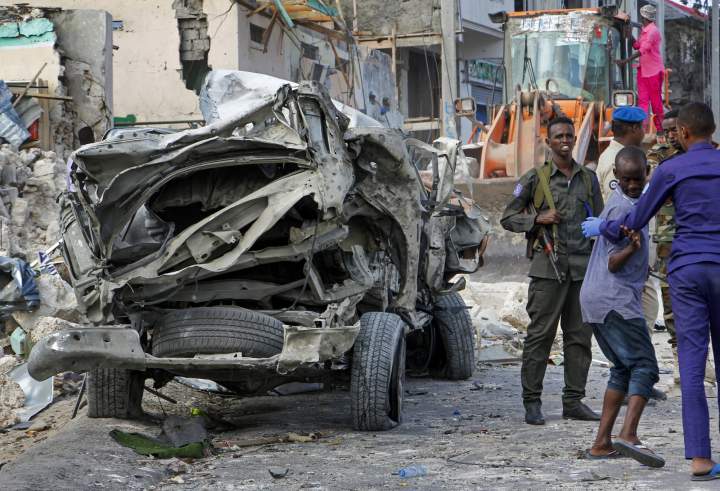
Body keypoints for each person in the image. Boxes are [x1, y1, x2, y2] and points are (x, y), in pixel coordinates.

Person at [582, 102, 720, 481]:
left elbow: (636, 218)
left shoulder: (672, 169)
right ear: (712, 131)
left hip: (687, 272)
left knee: (691, 365)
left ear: (684, 133)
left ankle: (700, 459)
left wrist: (603, 227)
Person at [501, 116, 604, 426]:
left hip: (581, 271)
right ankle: (532, 402)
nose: (565, 140)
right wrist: (537, 219)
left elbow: (600, 222)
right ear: (548, 142)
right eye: (558, 136)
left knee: (579, 337)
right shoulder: (535, 178)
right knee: (540, 336)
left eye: (569, 135)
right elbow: (508, 217)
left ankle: (573, 401)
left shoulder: (588, 179)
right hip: (548, 270)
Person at [580, 146, 663, 467]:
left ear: (646, 175)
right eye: (626, 179)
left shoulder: (627, 203)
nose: (632, 184)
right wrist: (632, 250)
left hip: (597, 298)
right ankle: (628, 435)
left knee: (622, 369)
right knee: (646, 366)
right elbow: (614, 262)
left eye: (637, 179)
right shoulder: (621, 208)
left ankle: (601, 443)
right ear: (615, 175)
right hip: (614, 299)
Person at [647, 109, 684, 381]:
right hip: (668, 240)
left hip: (699, 236)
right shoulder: (659, 155)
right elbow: (649, 177)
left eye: (675, 129)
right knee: (671, 300)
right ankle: (679, 354)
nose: (670, 135)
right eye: (666, 130)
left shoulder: (707, 152)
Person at [617, 5, 665, 135]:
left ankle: (661, 130)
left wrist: (625, 61)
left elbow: (642, 50)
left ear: (644, 17)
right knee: (642, 101)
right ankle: (642, 130)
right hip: (643, 71)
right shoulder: (645, 31)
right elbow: (637, 45)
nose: (640, 19)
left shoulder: (653, 31)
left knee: (655, 103)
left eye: (641, 17)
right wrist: (629, 34)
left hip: (654, 72)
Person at [596, 106, 646, 198]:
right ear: (634, 128)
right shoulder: (616, 161)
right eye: (642, 127)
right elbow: (615, 201)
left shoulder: (617, 154)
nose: (644, 132)